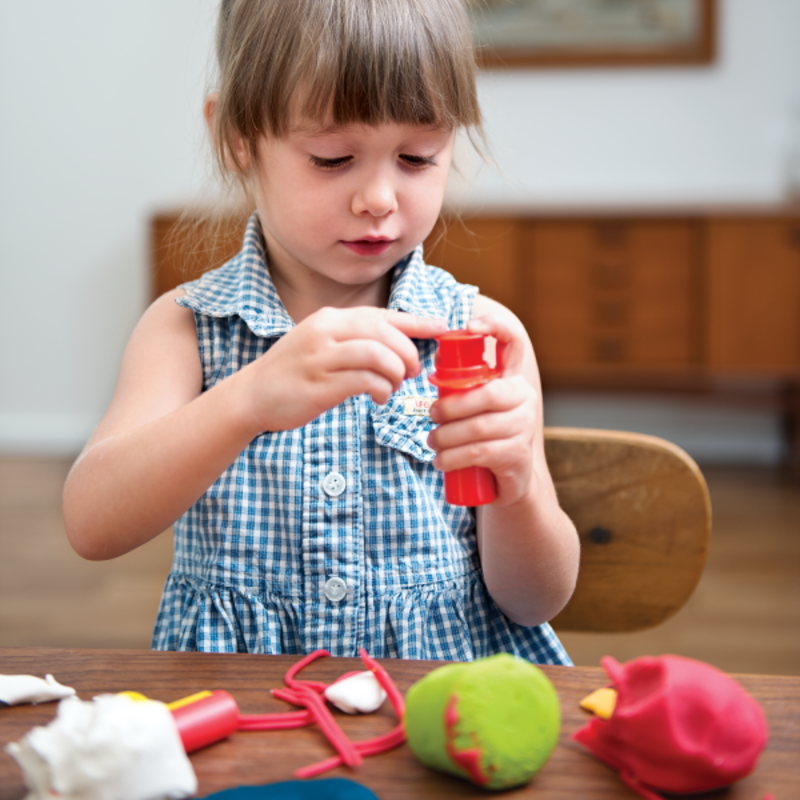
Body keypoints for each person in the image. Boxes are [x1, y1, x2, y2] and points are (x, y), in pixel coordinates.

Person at [63, 0, 580, 663]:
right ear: (237, 140)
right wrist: (246, 401)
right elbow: (91, 523)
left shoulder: (483, 337)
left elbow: (534, 601)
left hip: (435, 708)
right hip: (246, 706)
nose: (380, 198)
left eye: (418, 157)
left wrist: (521, 486)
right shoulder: (186, 330)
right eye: (333, 158)